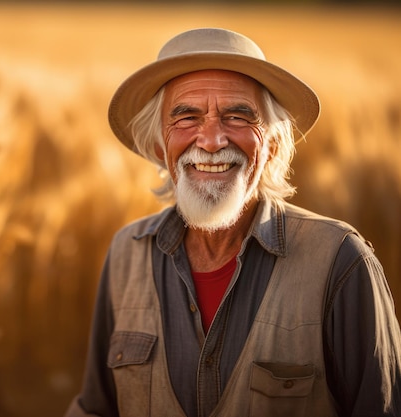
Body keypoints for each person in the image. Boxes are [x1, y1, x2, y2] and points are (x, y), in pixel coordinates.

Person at [64, 28, 401, 417]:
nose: (211, 140)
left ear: (272, 146)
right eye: (186, 117)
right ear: (160, 145)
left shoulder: (340, 262)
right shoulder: (127, 252)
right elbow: (97, 408)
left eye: (237, 116)